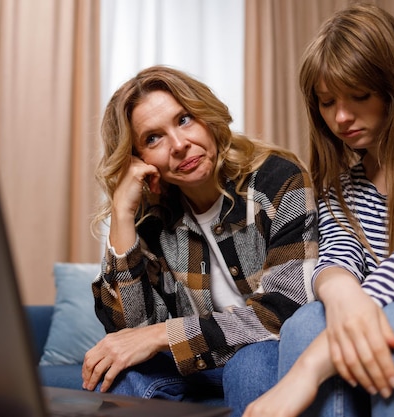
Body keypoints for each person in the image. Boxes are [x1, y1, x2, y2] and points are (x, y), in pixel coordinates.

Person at [244, 3, 394, 417]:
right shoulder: (343, 189)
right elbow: (336, 261)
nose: (341, 117)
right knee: (307, 321)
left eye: (360, 96)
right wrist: (339, 290)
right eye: (326, 102)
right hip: (388, 339)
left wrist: (308, 370)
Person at [83, 65, 318, 416]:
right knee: (122, 376)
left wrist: (160, 336)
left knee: (250, 363)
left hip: (274, 356)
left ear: (207, 117)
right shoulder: (154, 220)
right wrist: (122, 214)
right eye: (153, 138)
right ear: (137, 158)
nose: (179, 145)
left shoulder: (277, 180)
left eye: (184, 120)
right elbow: (129, 333)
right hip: (202, 366)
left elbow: (285, 311)